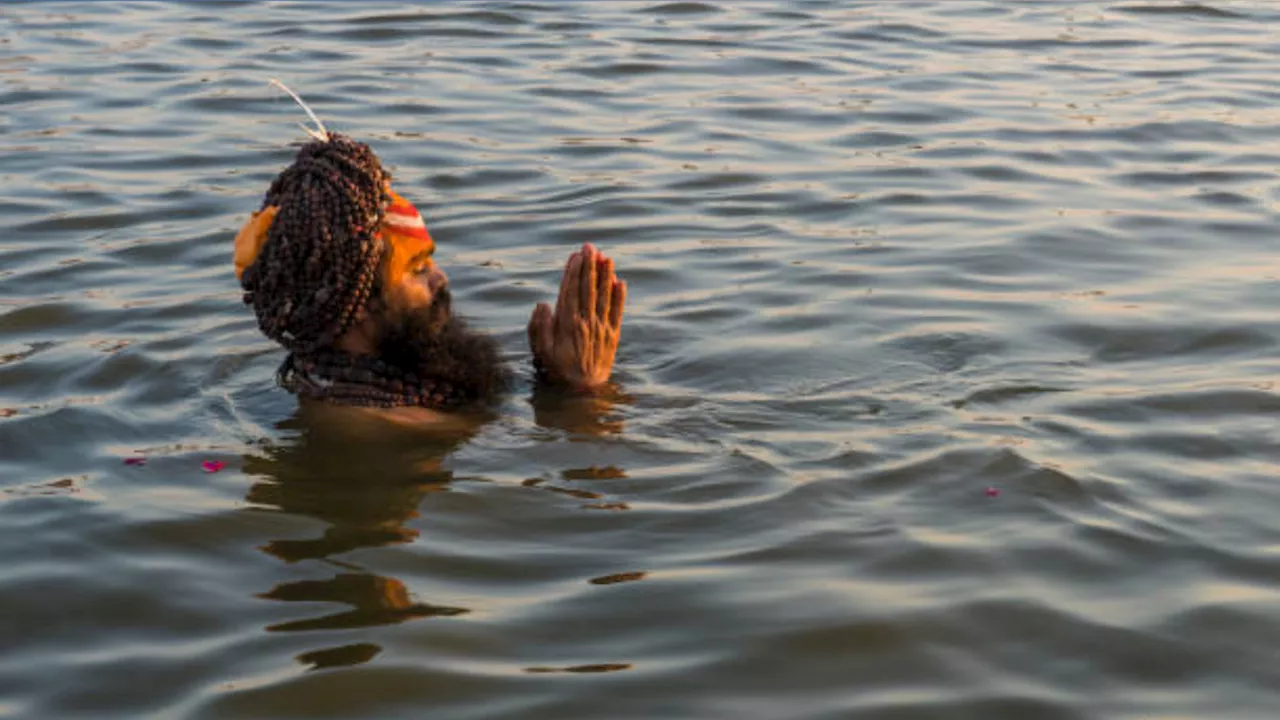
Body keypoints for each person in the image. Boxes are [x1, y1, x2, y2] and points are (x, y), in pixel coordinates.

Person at [232, 131, 626, 426]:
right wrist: (585, 392)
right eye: (417, 269)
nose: (441, 278)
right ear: (358, 302)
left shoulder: (315, 379)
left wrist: (550, 378)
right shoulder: (389, 425)